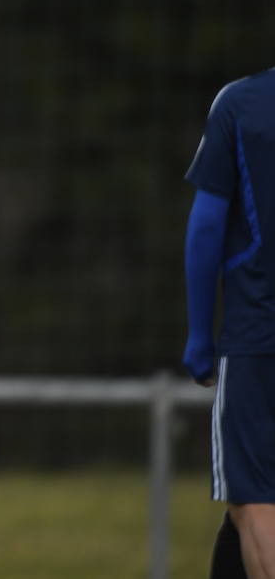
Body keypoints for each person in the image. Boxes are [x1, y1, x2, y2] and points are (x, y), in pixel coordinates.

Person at [185, 69, 275, 579]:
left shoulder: (243, 104)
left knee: (254, 500)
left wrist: (200, 334)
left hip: (258, 338)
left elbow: (207, 226)